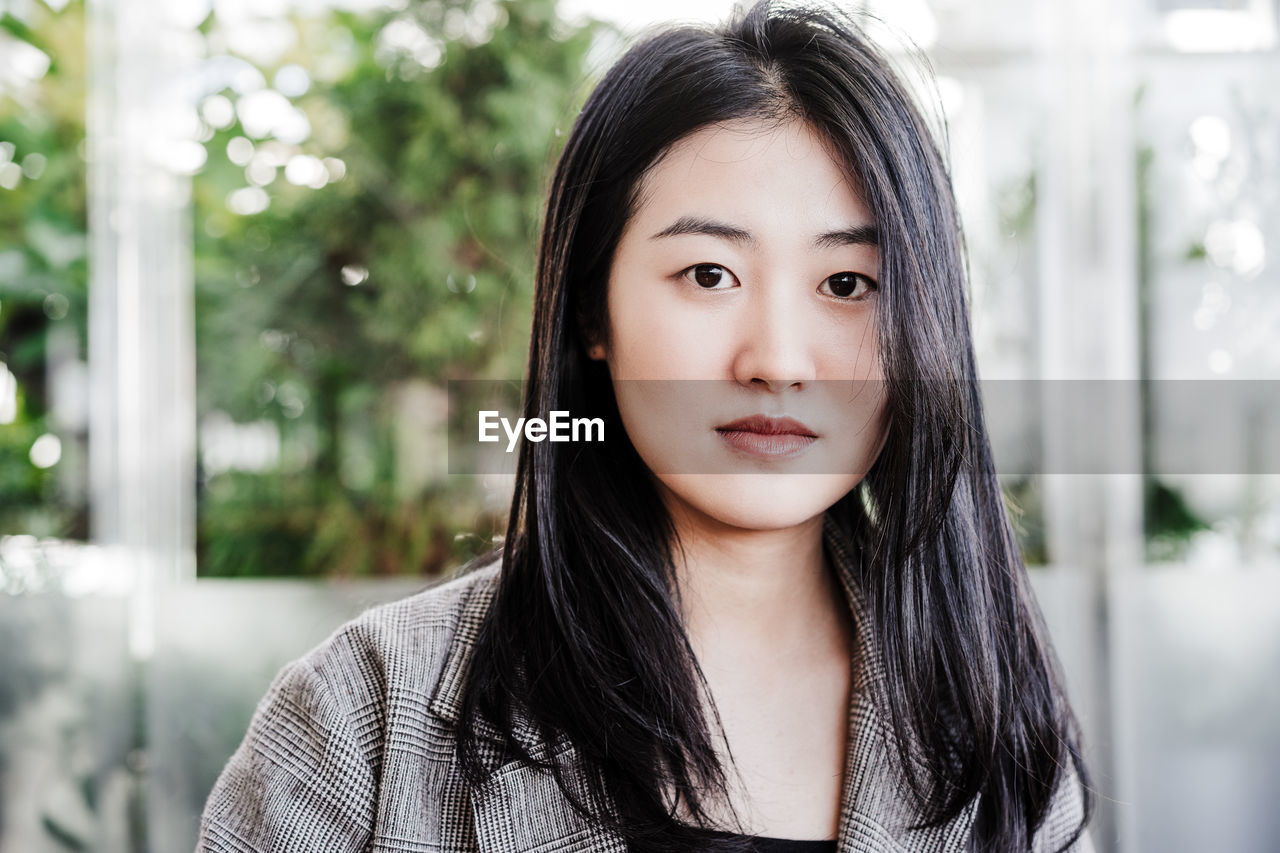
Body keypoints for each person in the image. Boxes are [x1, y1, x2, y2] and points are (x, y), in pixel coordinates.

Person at [198, 2, 1095, 851]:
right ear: (594, 311)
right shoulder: (364, 719)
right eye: (709, 274)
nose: (777, 360)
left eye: (847, 284)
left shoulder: (987, 712)